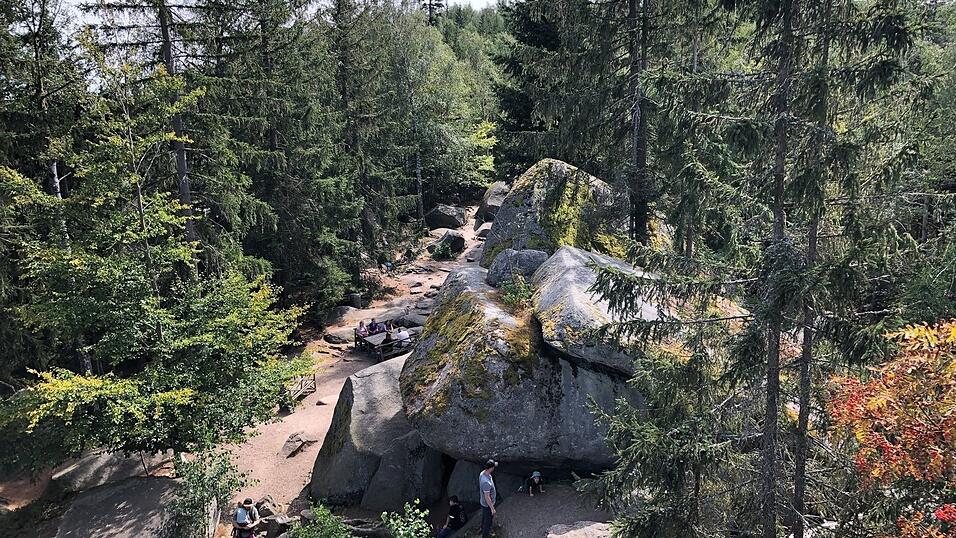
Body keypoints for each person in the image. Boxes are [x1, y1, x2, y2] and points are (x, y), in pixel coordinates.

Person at [478, 459, 497, 538]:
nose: (494, 468)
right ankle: (485, 535)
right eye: (494, 467)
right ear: (491, 468)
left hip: (483, 503)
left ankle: (482, 529)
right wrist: (492, 508)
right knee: (488, 522)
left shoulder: (482, 473)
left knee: (484, 517)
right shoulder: (486, 482)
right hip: (487, 505)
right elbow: (487, 497)